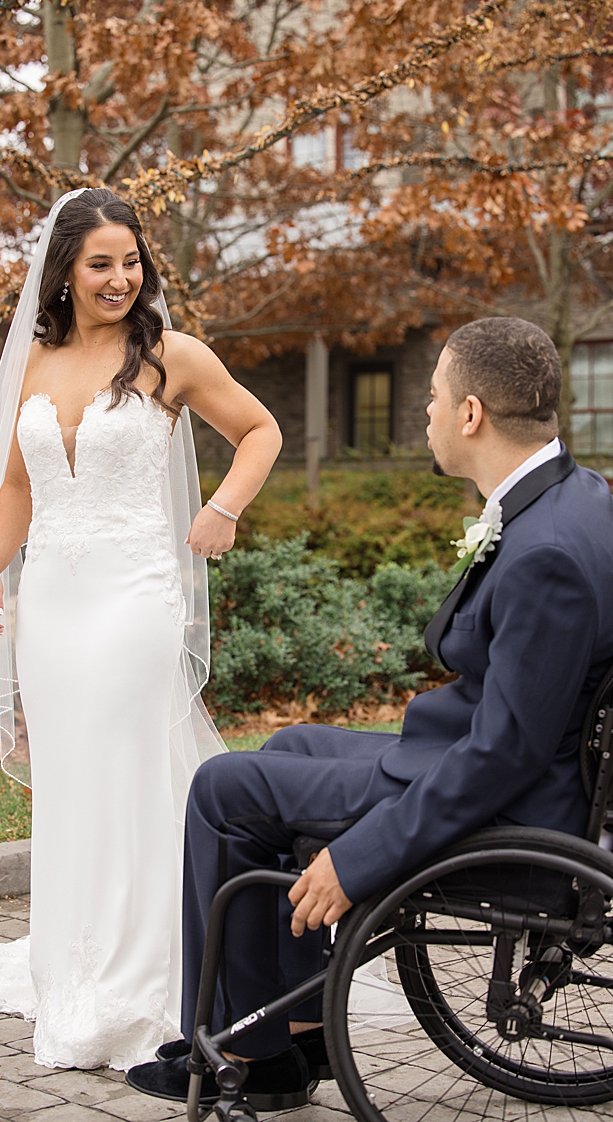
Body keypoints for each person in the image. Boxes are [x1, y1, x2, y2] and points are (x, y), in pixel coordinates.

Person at [127, 316, 613, 1108]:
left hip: (515, 808)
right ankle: (300, 1031)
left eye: (431, 398)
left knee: (224, 791)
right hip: (486, 758)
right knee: (290, 745)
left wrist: (361, 861)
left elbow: (504, 757)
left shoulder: (547, 552)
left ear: (470, 415)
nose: (424, 413)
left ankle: (248, 1060)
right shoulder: (578, 495)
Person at [0, 188, 282, 1070]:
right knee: (72, 781)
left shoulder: (171, 355)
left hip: (137, 594)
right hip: (51, 599)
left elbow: (260, 430)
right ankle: (75, 967)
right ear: (63, 272)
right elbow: (18, 486)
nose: (120, 279)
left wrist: (223, 508)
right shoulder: (32, 362)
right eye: (101, 264)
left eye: (131, 262)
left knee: (127, 766)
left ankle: (149, 980)